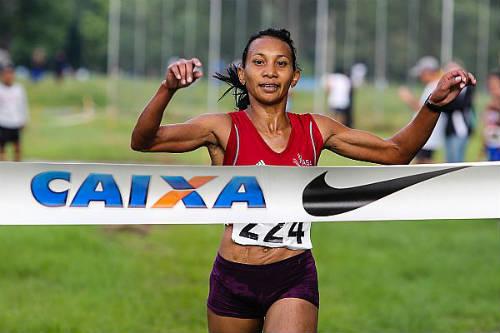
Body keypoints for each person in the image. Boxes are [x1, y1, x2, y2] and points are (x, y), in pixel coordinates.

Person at [131, 28, 475, 333]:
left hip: (291, 275)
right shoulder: (222, 128)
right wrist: (167, 88)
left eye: (281, 64)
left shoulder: (316, 129)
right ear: (243, 72)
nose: (270, 71)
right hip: (233, 276)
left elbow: (395, 152)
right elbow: (145, 140)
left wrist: (432, 105)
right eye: (259, 62)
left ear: (294, 77)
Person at [398, 56, 446, 163]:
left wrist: (408, 98)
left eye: (422, 73)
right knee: (421, 161)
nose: (420, 76)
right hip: (427, 133)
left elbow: (423, 109)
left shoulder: (435, 86)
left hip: (428, 133)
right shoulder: (433, 85)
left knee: (424, 161)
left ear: (428, 71)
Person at [439, 61, 476, 163]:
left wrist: (446, 102)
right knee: (449, 160)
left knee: (456, 161)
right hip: (449, 129)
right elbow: (443, 107)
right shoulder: (448, 90)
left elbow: (458, 105)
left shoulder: (466, 89)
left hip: (460, 130)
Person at [0, 63, 29, 161]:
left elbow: (23, 105)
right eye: (6, 74)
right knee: (2, 149)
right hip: (3, 122)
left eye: (10, 73)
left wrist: (24, 120)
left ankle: (17, 169)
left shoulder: (19, 89)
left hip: (15, 122)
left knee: (17, 149)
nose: (8, 76)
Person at [482, 69, 500, 161]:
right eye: (490, 83)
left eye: (494, 83)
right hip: (491, 145)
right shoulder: (490, 103)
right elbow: (487, 126)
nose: (491, 86)